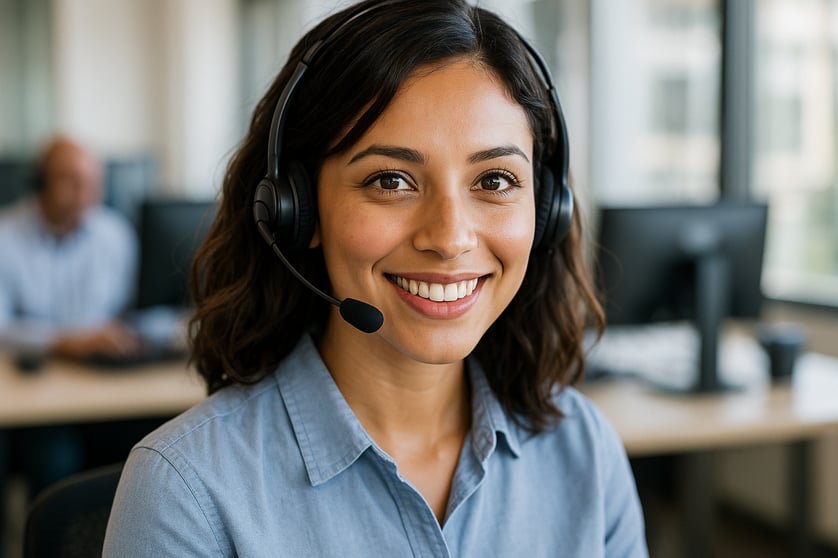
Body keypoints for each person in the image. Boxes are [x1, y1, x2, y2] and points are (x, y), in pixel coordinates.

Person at [103, 1, 649, 556]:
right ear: (299, 211)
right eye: (390, 180)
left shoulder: (585, 450)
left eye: (495, 179)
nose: (450, 237)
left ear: (547, 208)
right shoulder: (185, 492)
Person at [0, 135, 140, 362]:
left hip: (101, 369)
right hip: (30, 373)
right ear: (40, 183)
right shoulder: (4, 238)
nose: (85, 193)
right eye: (72, 180)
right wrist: (63, 342)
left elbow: (128, 315)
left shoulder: (116, 235)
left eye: (93, 182)